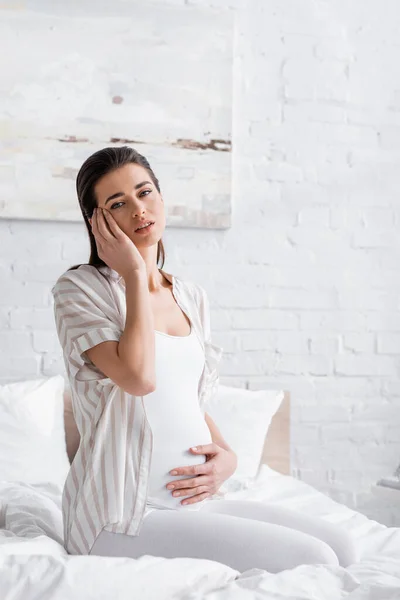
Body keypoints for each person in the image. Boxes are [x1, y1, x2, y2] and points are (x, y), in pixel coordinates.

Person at [52, 146, 357, 573]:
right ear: (97, 222)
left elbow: (187, 399)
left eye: (145, 193)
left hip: (194, 502)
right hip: (121, 514)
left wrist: (228, 458)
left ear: (160, 195)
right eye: (118, 204)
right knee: (317, 560)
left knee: (343, 546)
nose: (139, 210)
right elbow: (139, 378)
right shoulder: (79, 291)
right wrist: (136, 274)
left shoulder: (190, 296)